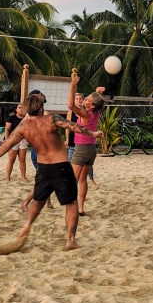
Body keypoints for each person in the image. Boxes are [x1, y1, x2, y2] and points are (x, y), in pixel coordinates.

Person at [0, 92, 99, 252]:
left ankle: (26, 226)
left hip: (43, 169)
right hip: (61, 166)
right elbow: (74, 126)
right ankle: (70, 241)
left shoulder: (24, 127)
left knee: (38, 201)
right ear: (41, 108)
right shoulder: (51, 119)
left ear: (27, 110)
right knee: (71, 204)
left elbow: (7, 144)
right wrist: (93, 133)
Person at [67, 71, 104, 217]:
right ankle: (81, 207)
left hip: (81, 150)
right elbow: (97, 101)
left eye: (87, 98)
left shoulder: (86, 113)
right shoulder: (96, 112)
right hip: (91, 150)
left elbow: (70, 105)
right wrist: (97, 92)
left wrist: (72, 85)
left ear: (91, 105)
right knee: (83, 180)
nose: (85, 99)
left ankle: (73, 208)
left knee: (72, 181)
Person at [3, 103, 29, 181]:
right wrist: (7, 140)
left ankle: (23, 177)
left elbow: (28, 130)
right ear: (16, 109)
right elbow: (7, 129)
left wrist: (28, 140)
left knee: (22, 159)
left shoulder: (26, 119)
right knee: (11, 159)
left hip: (23, 140)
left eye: (23, 108)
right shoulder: (11, 118)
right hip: (12, 139)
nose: (21, 109)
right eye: (19, 107)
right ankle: (7, 177)